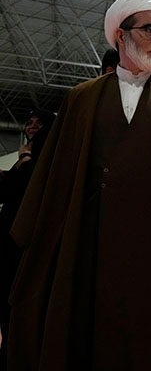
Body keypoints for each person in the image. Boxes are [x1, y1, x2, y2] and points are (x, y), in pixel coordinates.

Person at [7, 0, 151, 371]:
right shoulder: (82, 99)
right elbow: (58, 178)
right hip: (93, 236)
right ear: (120, 36)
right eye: (149, 29)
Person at [0, 110, 55, 371]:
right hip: (11, 241)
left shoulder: (40, 158)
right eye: (29, 123)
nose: (31, 127)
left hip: (23, 245)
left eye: (38, 124)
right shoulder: (29, 156)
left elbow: (23, 186)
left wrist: (23, 158)